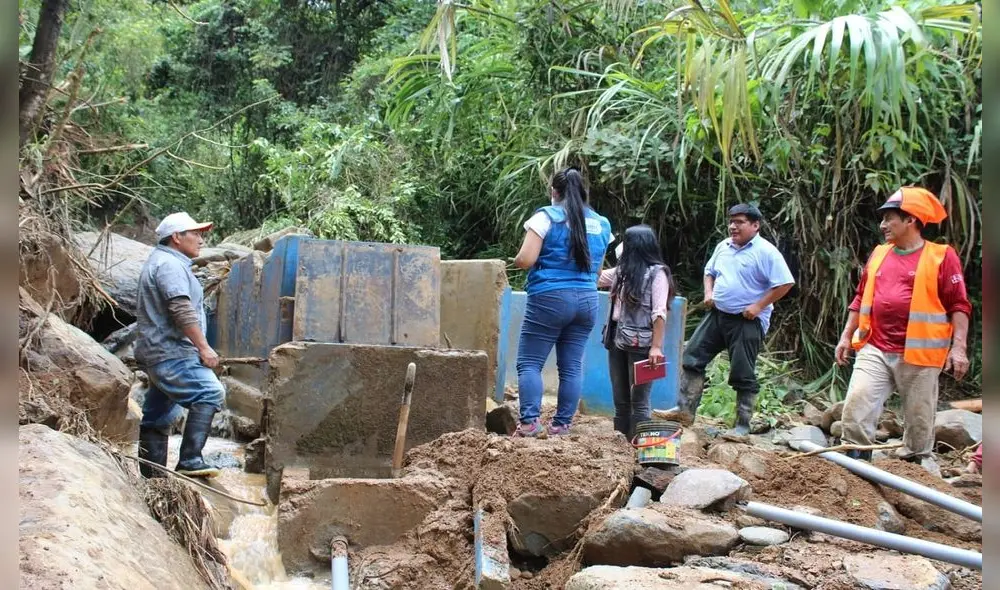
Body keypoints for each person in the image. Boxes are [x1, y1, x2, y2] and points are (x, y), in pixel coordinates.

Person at [835, 187, 971, 464]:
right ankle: (855, 465)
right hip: (875, 345)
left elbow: (959, 305)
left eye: (889, 219)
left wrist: (959, 348)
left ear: (910, 220)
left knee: (919, 418)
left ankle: (913, 467)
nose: (882, 225)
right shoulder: (879, 254)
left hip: (920, 355)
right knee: (857, 404)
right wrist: (846, 336)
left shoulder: (941, 256)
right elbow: (860, 297)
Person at [659, 204, 795, 438]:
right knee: (692, 357)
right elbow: (709, 271)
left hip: (746, 320)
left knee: (742, 372)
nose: (733, 226)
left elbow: (785, 283)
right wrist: (708, 292)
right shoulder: (724, 246)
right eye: (731, 221)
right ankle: (684, 410)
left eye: (739, 222)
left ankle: (742, 426)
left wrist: (758, 306)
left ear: (755, 225)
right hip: (718, 314)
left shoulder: (766, 252)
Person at [512, 167, 613, 436]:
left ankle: (530, 423)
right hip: (588, 299)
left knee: (530, 362)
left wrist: (516, 259)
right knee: (571, 366)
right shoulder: (602, 224)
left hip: (550, 298)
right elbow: (597, 270)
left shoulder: (545, 217)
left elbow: (526, 260)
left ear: (554, 192)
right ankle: (562, 425)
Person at [135, 212, 226, 478]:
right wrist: (204, 347)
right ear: (176, 237)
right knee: (210, 392)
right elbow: (180, 309)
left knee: (157, 415)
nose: (201, 240)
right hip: (172, 352)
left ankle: (153, 480)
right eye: (195, 234)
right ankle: (190, 460)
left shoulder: (162, 262)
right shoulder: (169, 265)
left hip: (158, 351)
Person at [598, 225, 674, 439]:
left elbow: (659, 313)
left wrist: (656, 347)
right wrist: (599, 249)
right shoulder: (622, 272)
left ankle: (640, 445)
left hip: (642, 344)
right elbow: (596, 277)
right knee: (620, 397)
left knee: (639, 399)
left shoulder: (657, 273)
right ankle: (621, 443)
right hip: (615, 338)